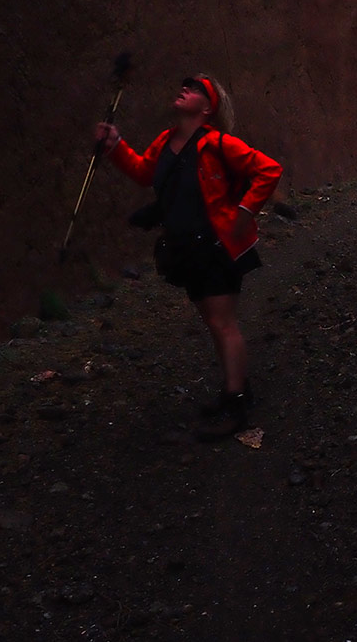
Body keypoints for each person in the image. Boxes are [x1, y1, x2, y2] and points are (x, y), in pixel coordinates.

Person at [94, 74, 282, 439]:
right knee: (213, 321)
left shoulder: (217, 143)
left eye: (196, 89)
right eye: (185, 85)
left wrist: (245, 214)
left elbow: (268, 169)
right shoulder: (167, 141)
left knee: (223, 323)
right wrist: (115, 145)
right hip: (187, 248)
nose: (185, 89)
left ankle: (237, 404)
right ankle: (235, 387)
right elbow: (144, 172)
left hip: (216, 246)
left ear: (208, 108)